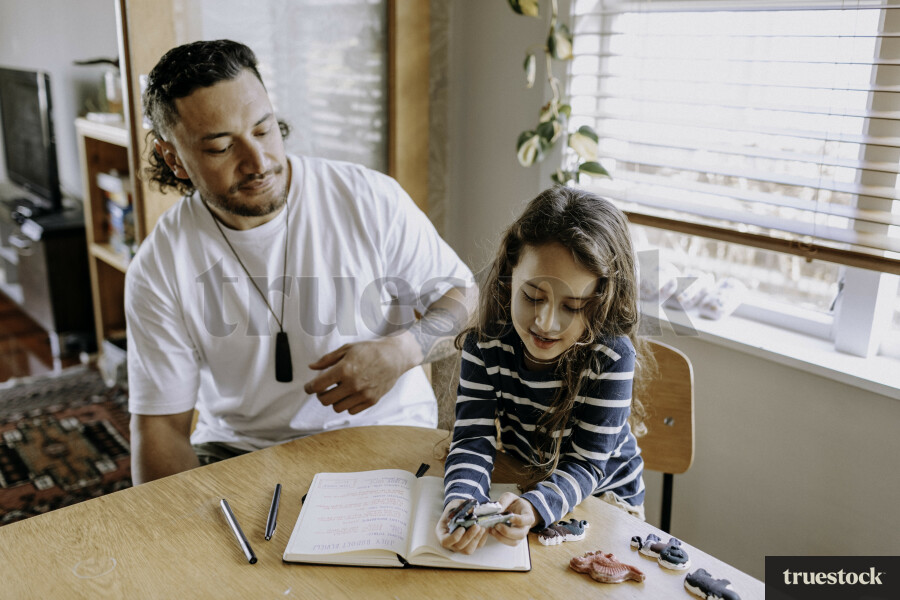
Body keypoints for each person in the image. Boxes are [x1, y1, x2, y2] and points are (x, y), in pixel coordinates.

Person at [126, 39, 474, 484]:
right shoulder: (159, 266)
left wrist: (404, 351)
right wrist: (176, 520)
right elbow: (161, 427)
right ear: (173, 158)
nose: (257, 162)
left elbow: (465, 298)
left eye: (263, 130)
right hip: (242, 454)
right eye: (221, 147)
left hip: (388, 438)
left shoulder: (368, 198)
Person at [435, 186, 651, 555]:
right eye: (533, 297)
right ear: (509, 278)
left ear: (601, 303)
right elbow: (472, 440)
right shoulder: (485, 344)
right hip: (528, 482)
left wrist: (536, 507)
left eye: (573, 306)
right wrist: (461, 502)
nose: (546, 323)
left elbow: (587, 465)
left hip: (606, 501)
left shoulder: (612, 357)